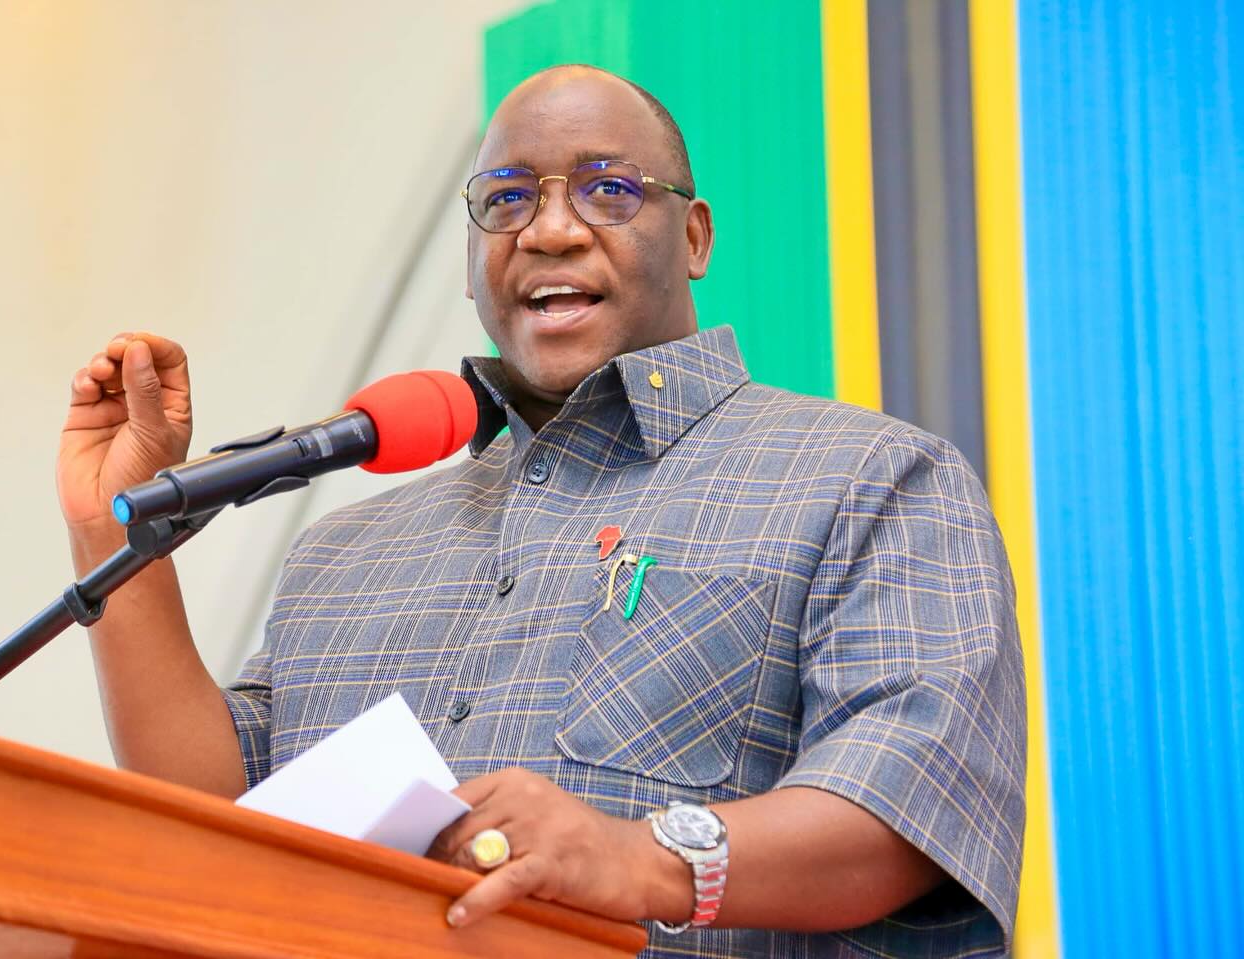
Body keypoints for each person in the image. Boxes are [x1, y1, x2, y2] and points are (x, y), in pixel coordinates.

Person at [58, 65, 1024, 959]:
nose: (550, 231)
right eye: (507, 198)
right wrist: (109, 519)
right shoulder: (341, 552)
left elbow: (916, 801)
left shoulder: (868, 477)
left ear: (694, 237)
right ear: (472, 254)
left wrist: (635, 856)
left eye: (608, 189)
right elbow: (218, 819)